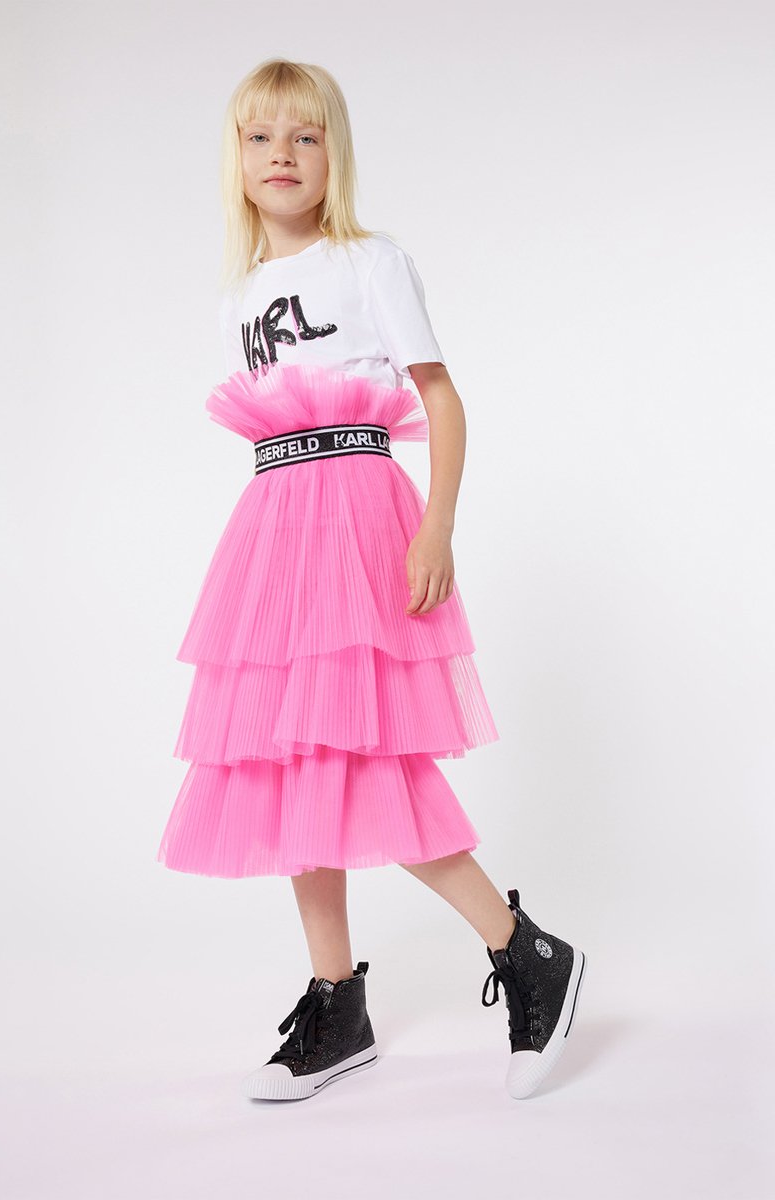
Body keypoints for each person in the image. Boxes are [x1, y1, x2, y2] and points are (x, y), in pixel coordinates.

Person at [156, 57, 586, 1102]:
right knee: (293, 755)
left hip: (357, 517)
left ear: (332, 154)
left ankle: (525, 951)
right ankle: (336, 1001)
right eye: (261, 137)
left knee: (367, 757)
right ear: (237, 158)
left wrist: (437, 523)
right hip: (275, 528)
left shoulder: (369, 262)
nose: (282, 156)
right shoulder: (241, 295)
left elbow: (440, 396)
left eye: (304, 137)